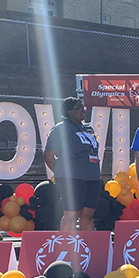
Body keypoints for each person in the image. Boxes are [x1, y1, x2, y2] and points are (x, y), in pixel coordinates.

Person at [43, 98, 102, 232]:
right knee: (71, 214)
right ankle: (65, 246)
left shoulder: (88, 128)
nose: (83, 111)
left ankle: (88, 248)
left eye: (83, 108)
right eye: (78, 108)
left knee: (87, 215)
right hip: (72, 178)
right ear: (69, 112)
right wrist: (61, 173)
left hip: (92, 177)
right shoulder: (61, 129)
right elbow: (48, 155)